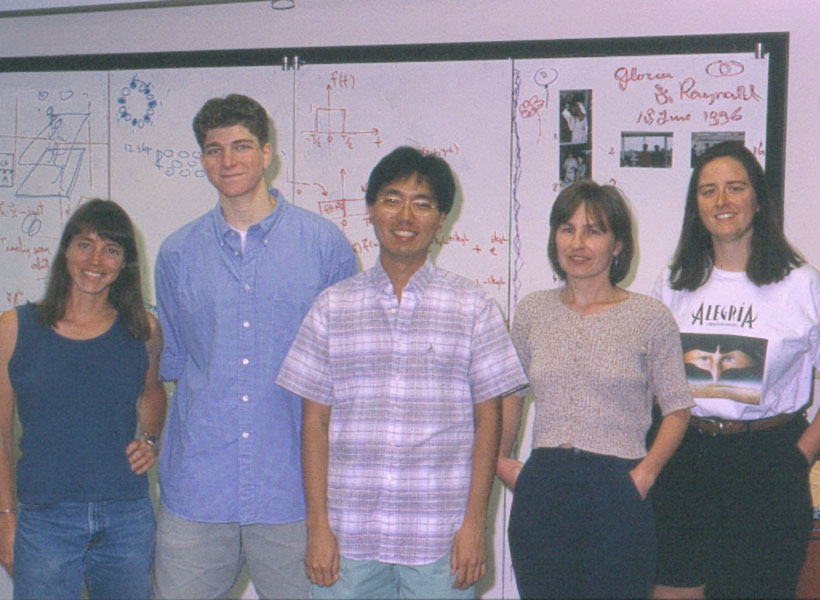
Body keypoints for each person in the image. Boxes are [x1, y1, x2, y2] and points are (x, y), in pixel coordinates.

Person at [276, 146, 528, 600]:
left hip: (440, 538)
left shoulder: (472, 307)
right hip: (348, 539)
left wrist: (476, 524)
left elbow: (488, 420)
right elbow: (312, 422)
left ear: (441, 218)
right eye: (392, 199)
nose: (405, 215)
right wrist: (317, 527)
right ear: (371, 210)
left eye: (423, 202)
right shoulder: (332, 307)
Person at [151, 94, 357, 599]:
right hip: (197, 490)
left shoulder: (324, 246)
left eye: (241, 146)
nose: (228, 161)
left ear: (267, 153)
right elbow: (174, 364)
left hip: (293, 492)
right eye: (214, 149)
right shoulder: (176, 253)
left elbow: (346, 375)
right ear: (202, 159)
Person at [497, 179, 693, 599]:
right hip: (544, 488)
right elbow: (512, 393)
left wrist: (643, 476)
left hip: (617, 487)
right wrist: (502, 460)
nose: (578, 242)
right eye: (567, 228)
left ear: (618, 244)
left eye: (594, 230)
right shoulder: (532, 311)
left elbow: (677, 408)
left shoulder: (648, 317)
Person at [651, 141, 820, 599]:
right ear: (695, 206)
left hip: (767, 462)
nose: (722, 202)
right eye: (708, 191)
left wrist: (799, 455)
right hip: (684, 460)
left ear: (758, 199)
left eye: (735, 188)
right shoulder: (672, 284)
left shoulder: (801, 285)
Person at [0, 199, 166, 599]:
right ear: (66, 251)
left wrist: (149, 439)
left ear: (125, 262)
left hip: (126, 518)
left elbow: (152, 393)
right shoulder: (14, 328)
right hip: (44, 520)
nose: (96, 259)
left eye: (111, 249)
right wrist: (6, 518)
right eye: (85, 244)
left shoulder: (142, 328)